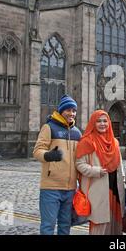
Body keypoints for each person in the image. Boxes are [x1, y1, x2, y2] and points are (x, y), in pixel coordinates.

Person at [33, 94, 81, 235]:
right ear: (61, 111)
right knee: (48, 227)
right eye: (68, 110)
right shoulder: (49, 127)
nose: (71, 113)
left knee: (65, 227)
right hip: (51, 187)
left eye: (74, 110)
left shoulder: (77, 133)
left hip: (70, 188)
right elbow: (37, 151)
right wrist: (48, 155)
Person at [75, 110, 125, 235]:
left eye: (105, 121)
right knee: (100, 226)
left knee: (115, 226)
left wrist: (123, 179)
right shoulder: (87, 141)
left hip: (115, 189)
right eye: (98, 121)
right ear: (93, 123)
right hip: (98, 189)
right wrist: (96, 171)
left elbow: (119, 164)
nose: (102, 124)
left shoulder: (115, 142)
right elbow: (79, 164)